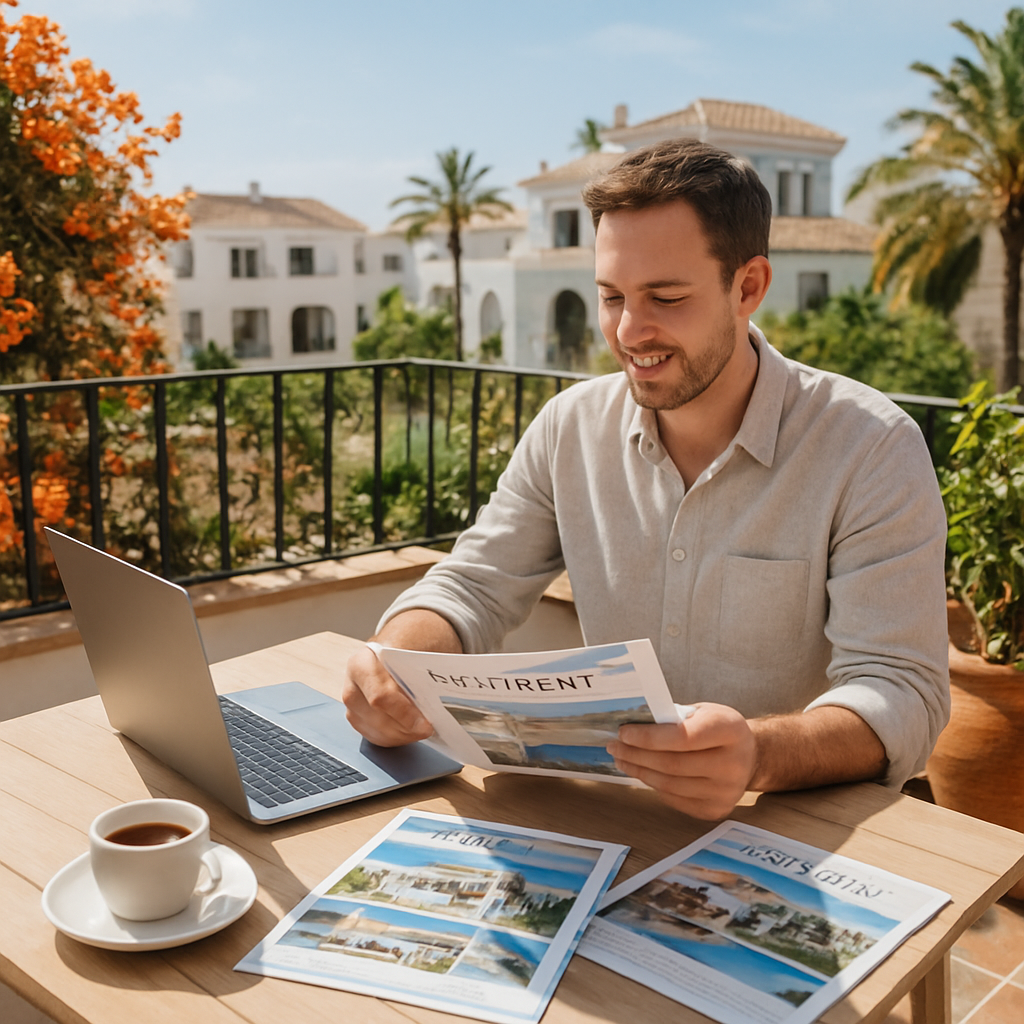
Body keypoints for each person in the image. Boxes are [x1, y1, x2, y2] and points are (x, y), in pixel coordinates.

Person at [343, 138, 950, 821]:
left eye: (665, 297)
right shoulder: (569, 427)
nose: (631, 331)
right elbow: (472, 585)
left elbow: (902, 692)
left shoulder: (872, 447)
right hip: (610, 821)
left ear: (747, 287)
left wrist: (756, 753)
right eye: (611, 297)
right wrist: (393, 661)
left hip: (787, 831)